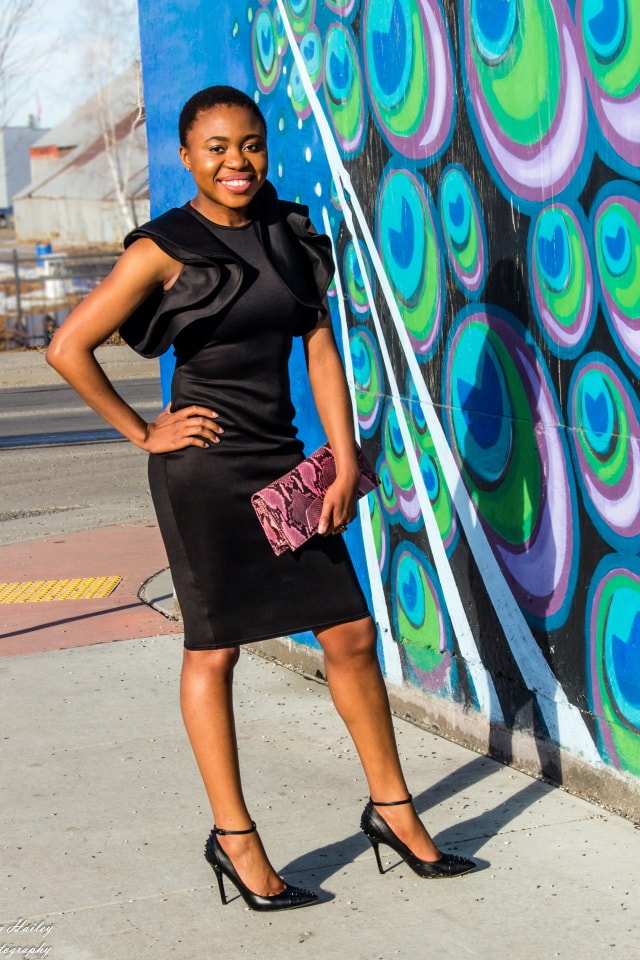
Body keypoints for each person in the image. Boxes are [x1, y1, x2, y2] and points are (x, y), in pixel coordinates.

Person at [46, 85, 476, 912]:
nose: (236, 163)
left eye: (250, 145)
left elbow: (320, 348)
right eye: (216, 148)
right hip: (203, 472)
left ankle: (394, 812)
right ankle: (235, 839)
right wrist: (143, 433)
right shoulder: (161, 249)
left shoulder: (291, 231)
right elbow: (69, 346)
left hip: (283, 465)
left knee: (349, 632)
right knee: (215, 651)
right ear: (186, 157)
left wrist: (344, 462)